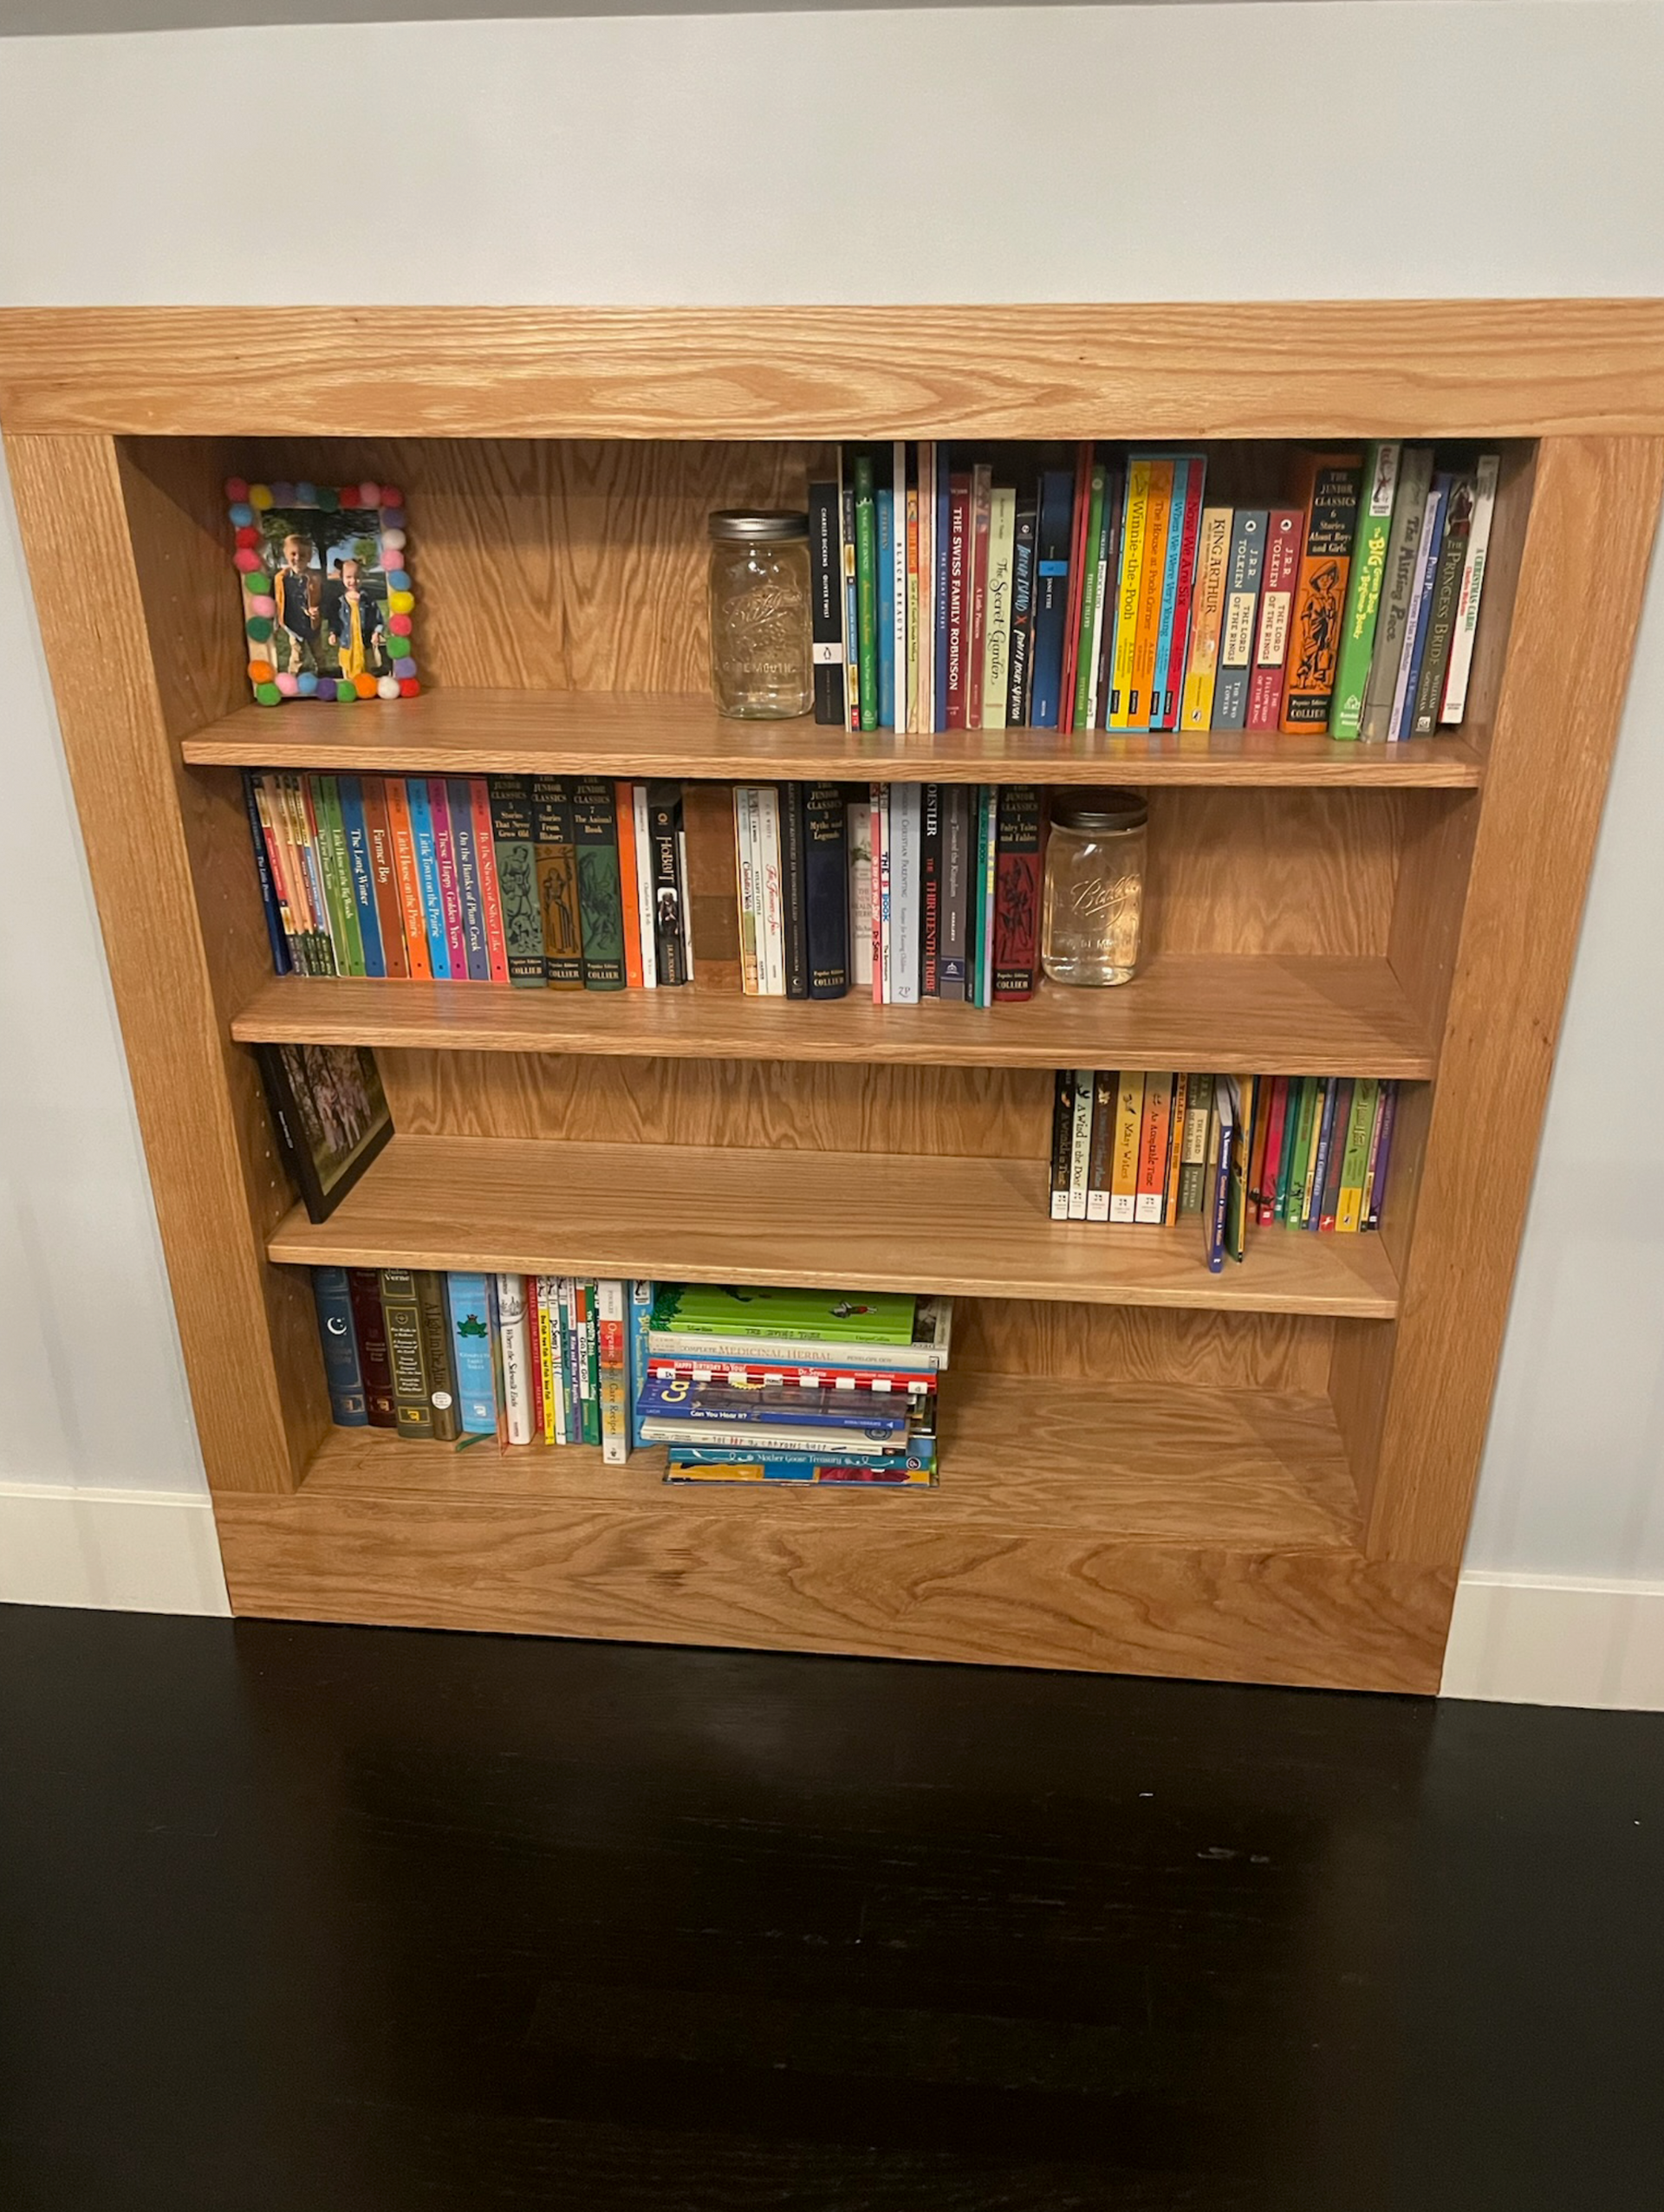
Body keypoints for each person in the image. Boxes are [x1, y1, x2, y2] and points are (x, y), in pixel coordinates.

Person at [328, 555, 387, 681]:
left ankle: (365, 686)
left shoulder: (367, 600)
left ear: (362, 578)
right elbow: (335, 620)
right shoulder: (339, 602)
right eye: (348, 577)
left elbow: (377, 618)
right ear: (342, 578)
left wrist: (376, 632)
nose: (353, 581)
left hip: (364, 643)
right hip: (347, 644)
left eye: (357, 577)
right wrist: (333, 633)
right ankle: (349, 686)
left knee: (366, 667)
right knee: (347, 667)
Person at [272, 533, 322, 675]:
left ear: (309, 557)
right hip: (293, 624)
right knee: (297, 653)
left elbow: (323, 599)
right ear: (286, 554)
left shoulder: (315, 578)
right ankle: (293, 676)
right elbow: (278, 601)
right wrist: (277, 623)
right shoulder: (281, 579)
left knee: (318, 652)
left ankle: (324, 673)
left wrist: (317, 609)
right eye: (293, 554)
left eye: (303, 555)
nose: (298, 558)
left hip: (312, 624)